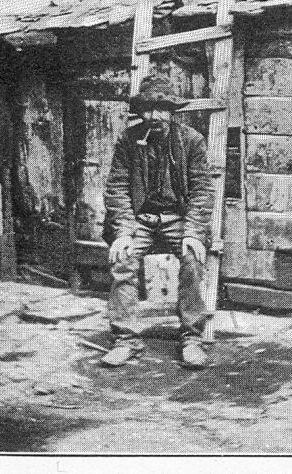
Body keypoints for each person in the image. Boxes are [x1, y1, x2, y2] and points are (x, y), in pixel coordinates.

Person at [101, 75, 214, 368]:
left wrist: (193, 232)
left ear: (172, 111)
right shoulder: (128, 140)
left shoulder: (191, 141)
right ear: (141, 112)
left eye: (162, 109)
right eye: (148, 109)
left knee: (192, 259)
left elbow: (202, 190)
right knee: (123, 260)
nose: (155, 116)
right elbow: (117, 188)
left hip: (178, 219)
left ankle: (191, 338)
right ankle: (125, 339)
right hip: (140, 220)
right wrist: (123, 232)